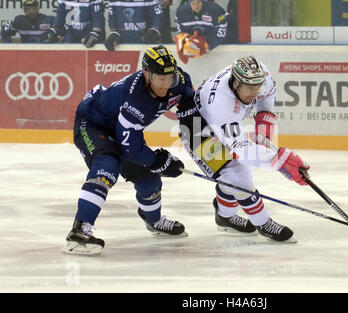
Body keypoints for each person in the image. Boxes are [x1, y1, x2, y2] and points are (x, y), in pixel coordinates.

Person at [64, 45, 194, 255]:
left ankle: (155, 221)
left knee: (149, 179)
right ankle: (80, 229)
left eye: (169, 77)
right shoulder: (135, 99)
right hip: (93, 123)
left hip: (123, 128)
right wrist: (160, 161)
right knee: (108, 164)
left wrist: (194, 138)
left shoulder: (180, 81)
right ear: (147, 75)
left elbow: (189, 106)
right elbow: (131, 147)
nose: (166, 84)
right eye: (160, 78)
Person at [177, 56, 310, 243]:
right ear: (236, 84)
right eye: (250, 88)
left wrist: (263, 129)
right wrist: (281, 160)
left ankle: (224, 217)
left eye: (258, 87)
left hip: (216, 121)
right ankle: (263, 223)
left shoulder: (260, 77)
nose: (255, 93)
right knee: (237, 174)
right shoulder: (220, 105)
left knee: (231, 178)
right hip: (196, 129)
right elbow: (242, 151)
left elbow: (267, 97)